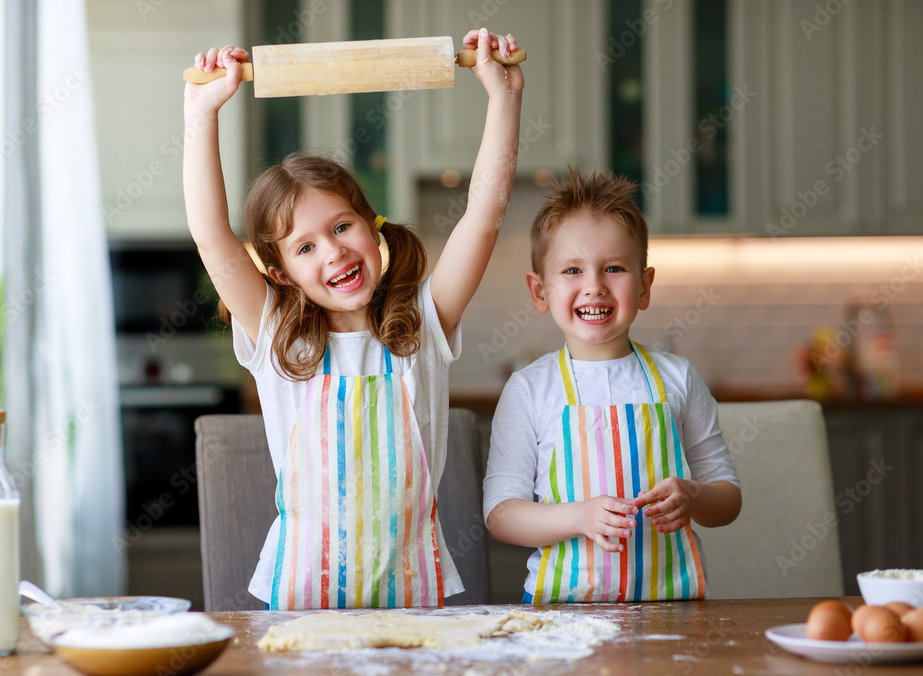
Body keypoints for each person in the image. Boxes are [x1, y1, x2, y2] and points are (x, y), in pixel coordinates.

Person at [183, 29, 523, 610]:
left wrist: (504, 97)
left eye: (342, 227)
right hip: (302, 597)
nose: (334, 252)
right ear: (281, 271)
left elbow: (483, 218)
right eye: (305, 246)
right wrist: (201, 115)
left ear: (372, 226)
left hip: (412, 594)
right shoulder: (276, 335)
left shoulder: (424, 323)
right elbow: (213, 239)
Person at [483, 167, 741, 603]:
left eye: (614, 268)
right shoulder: (528, 389)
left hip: (672, 611)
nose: (594, 287)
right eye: (572, 270)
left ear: (644, 285)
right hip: (563, 616)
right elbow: (501, 515)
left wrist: (693, 495)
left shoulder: (678, 378)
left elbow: (728, 500)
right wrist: (579, 517)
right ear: (539, 291)